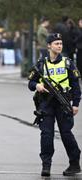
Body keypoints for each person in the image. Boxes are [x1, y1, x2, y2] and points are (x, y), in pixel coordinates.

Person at [28, 33, 81, 177]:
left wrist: (75, 104)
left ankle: (74, 164)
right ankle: (46, 165)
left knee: (66, 134)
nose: (59, 46)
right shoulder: (41, 64)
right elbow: (30, 83)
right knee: (46, 134)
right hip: (46, 103)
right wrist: (37, 85)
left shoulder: (68, 63)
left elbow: (76, 85)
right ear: (49, 46)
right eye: (56, 43)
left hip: (63, 103)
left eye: (61, 43)